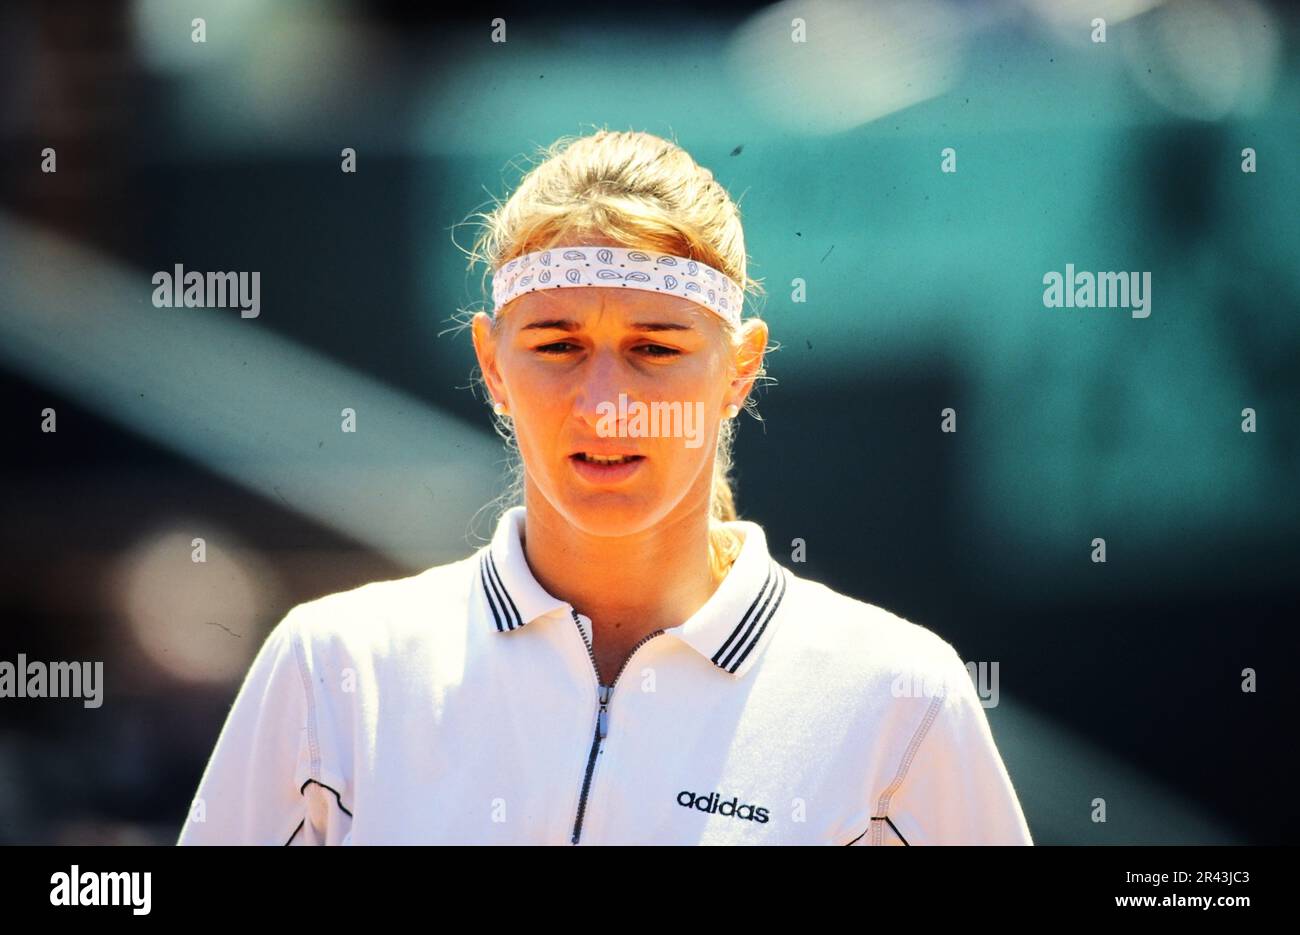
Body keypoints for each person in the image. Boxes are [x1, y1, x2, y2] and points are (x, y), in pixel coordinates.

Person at [177, 128, 1032, 845]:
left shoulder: (898, 696)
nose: (606, 404)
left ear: (740, 369)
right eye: (557, 345)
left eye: (655, 348)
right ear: (492, 365)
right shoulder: (332, 670)